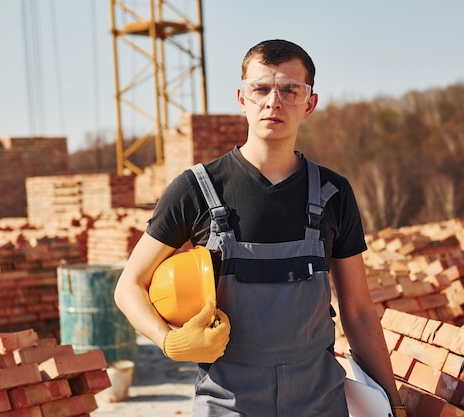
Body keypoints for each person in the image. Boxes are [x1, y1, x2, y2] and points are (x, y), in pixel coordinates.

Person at [114, 39, 406, 417]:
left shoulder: (334, 193)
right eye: (261, 89)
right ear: (241, 98)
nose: (274, 101)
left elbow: (359, 311)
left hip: (320, 402)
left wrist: (393, 405)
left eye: (290, 90)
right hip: (228, 404)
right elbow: (128, 286)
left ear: (309, 104)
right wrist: (169, 342)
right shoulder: (195, 189)